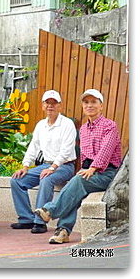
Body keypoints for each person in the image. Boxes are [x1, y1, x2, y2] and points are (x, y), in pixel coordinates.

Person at [35, 89, 122, 244]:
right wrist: (85, 170)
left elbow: (105, 151)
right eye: (86, 102)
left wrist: (92, 169)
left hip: (109, 173)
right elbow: (85, 156)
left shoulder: (110, 126)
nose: (89, 105)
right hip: (91, 172)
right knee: (76, 187)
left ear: (101, 106)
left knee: (78, 182)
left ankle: (51, 210)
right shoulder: (83, 129)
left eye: (94, 102)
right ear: (83, 106)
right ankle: (63, 231)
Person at [10, 90, 77, 234]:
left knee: (46, 179)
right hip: (46, 165)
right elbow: (33, 147)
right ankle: (26, 219)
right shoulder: (41, 125)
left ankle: (40, 222)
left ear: (60, 106)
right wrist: (25, 166)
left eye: (54, 103)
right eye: (47, 103)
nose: (50, 106)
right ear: (42, 105)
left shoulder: (67, 124)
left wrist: (53, 168)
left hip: (65, 166)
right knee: (17, 180)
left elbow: (66, 151)